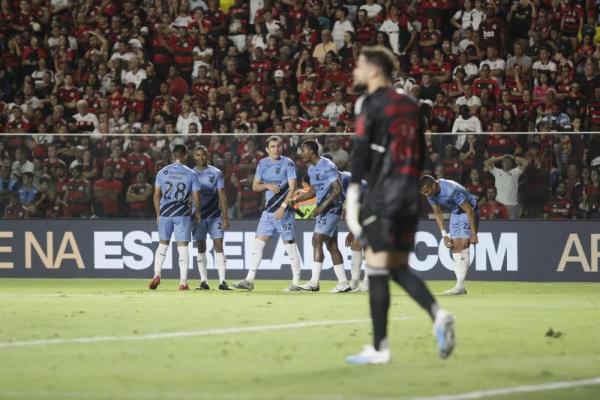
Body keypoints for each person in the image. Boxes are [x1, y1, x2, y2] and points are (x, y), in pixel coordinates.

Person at [345, 46, 455, 365]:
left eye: (360, 66)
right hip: (409, 195)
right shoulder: (411, 104)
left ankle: (380, 348)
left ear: (375, 71)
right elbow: (421, 153)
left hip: (383, 195)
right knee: (395, 267)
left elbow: (360, 151)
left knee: (377, 268)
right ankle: (438, 314)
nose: (355, 71)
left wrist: (354, 194)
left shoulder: (368, 103)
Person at [233, 136, 302, 291]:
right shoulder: (262, 164)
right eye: (273, 146)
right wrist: (267, 185)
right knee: (257, 244)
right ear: (267, 149)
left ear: (282, 148)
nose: (276, 149)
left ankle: (296, 283)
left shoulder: (288, 163)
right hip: (268, 211)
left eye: (278, 146)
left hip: (284, 211)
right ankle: (249, 280)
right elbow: (255, 187)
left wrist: (283, 207)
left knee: (290, 246)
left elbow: (293, 187)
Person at [292, 140, 349, 293]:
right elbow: (314, 191)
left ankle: (314, 282)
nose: (301, 154)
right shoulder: (311, 169)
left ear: (311, 151)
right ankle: (343, 283)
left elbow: (337, 189)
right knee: (332, 246)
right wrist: (296, 200)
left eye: (303, 151)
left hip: (331, 208)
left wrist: (323, 206)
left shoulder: (328, 166)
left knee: (316, 239)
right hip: (324, 209)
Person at [148, 144, 201, 291]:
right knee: (182, 248)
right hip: (182, 213)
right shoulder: (191, 173)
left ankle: (156, 274)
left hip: (165, 213)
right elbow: (196, 196)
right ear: (186, 156)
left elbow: (156, 195)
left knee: (162, 245)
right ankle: (183, 283)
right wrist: (198, 212)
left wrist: (158, 214)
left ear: (172, 156)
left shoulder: (162, 172)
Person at [420, 176, 479, 295]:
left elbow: (469, 210)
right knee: (455, 247)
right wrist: (444, 235)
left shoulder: (451, 190)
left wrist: (474, 234)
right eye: (423, 192)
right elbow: (437, 213)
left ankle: (459, 286)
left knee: (462, 244)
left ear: (434, 185)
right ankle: (460, 286)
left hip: (469, 211)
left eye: (427, 191)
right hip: (456, 213)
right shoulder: (430, 194)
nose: (426, 194)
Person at [192, 145, 232, 291]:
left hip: (215, 216)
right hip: (198, 217)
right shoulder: (190, 174)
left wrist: (225, 217)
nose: (201, 157)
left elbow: (222, 196)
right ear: (194, 156)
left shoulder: (216, 173)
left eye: (203, 154)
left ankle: (222, 282)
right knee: (201, 248)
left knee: (219, 247)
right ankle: (204, 282)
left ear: (207, 155)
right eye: (198, 155)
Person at [340, 170, 368, 292]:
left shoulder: (346, 181)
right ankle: (355, 282)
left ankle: (367, 283)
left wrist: (352, 231)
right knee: (356, 245)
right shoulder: (342, 180)